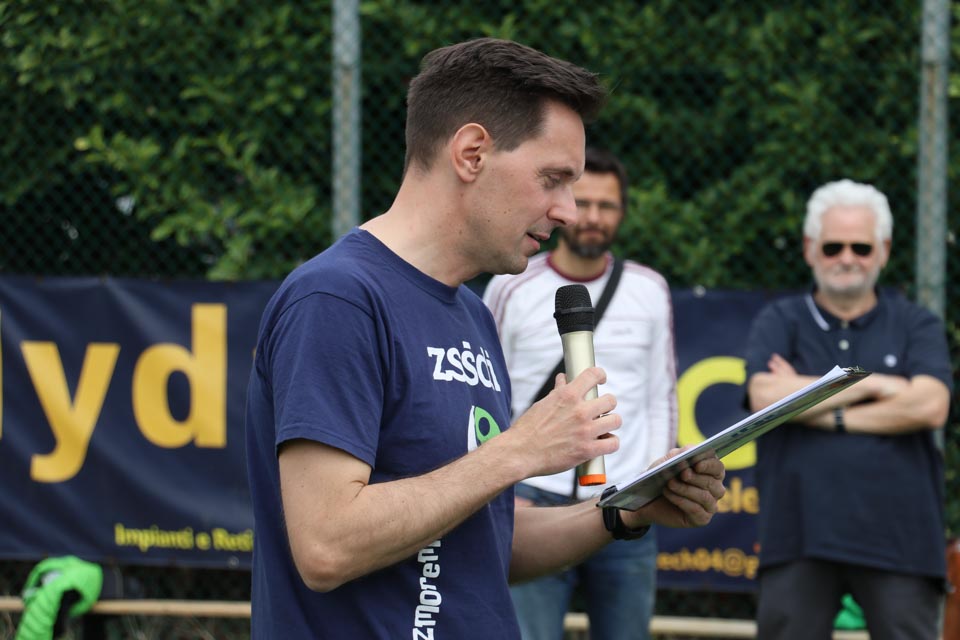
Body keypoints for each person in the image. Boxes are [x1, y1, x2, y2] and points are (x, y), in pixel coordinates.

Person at [245, 37, 726, 639]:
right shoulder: (337, 298)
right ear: (471, 153)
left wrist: (625, 512)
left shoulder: (471, 315)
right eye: (552, 179)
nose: (568, 211)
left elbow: (483, 539)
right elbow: (327, 544)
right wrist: (519, 450)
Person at [743, 179, 953, 639]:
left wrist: (815, 405)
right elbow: (764, 397)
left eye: (861, 247)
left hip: (902, 540)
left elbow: (931, 404)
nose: (847, 258)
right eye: (833, 246)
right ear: (809, 249)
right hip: (797, 534)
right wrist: (882, 385)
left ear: (883, 251)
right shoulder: (779, 320)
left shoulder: (916, 323)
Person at [483, 147, 675, 640]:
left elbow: (661, 397)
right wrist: (505, 490)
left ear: (622, 212)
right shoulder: (511, 283)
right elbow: (487, 393)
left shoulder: (650, 289)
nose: (592, 216)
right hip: (533, 501)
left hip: (629, 497)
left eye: (606, 205)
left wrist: (650, 485)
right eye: (583, 202)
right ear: (563, 205)